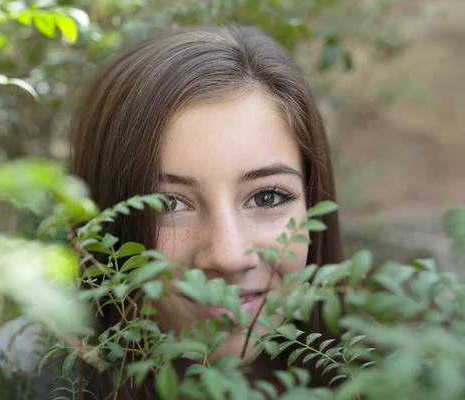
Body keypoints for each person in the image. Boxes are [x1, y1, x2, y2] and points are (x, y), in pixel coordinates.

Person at [67, 25, 344, 399]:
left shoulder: (398, 373)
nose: (230, 257)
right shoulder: (15, 375)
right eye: (169, 203)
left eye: (267, 198)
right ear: (107, 219)